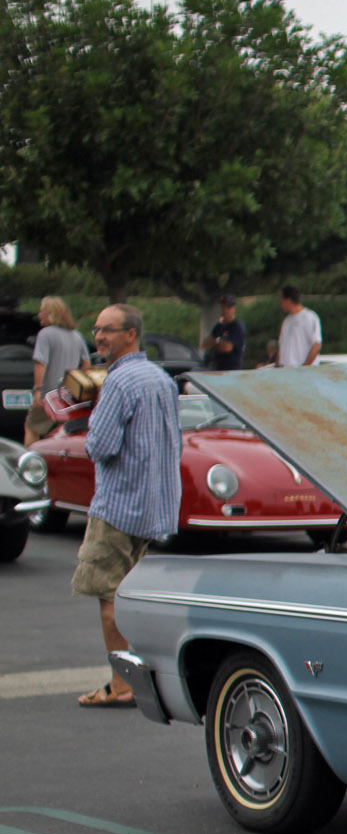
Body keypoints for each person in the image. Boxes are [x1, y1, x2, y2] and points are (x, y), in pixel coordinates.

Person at [72, 304, 180, 708]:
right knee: (132, 596)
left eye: (108, 330)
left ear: (131, 334)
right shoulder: (162, 379)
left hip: (118, 505)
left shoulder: (118, 382)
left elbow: (99, 446)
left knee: (108, 598)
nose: (99, 337)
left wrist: (89, 424)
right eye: (96, 329)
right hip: (153, 506)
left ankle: (121, 684)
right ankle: (141, 675)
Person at [25, 295, 87, 445]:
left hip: (49, 395)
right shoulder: (76, 336)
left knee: (32, 428)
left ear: (51, 314)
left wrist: (38, 390)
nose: (39, 315)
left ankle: (30, 462)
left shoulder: (45, 334)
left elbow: (41, 364)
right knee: (61, 432)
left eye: (42, 311)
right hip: (69, 396)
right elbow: (86, 363)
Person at [274, 285, 322, 367]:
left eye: (281, 299)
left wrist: (304, 367)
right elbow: (281, 346)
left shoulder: (309, 317)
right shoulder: (286, 321)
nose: (279, 302)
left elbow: (317, 345)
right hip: (286, 371)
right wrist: (277, 367)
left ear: (288, 300)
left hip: (302, 372)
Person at [199, 295, 246, 372]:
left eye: (228, 307)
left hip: (231, 371)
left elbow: (227, 348)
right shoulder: (219, 326)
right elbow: (204, 344)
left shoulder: (237, 327)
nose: (225, 310)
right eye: (223, 307)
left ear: (234, 309)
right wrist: (218, 344)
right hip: (217, 369)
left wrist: (214, 344)